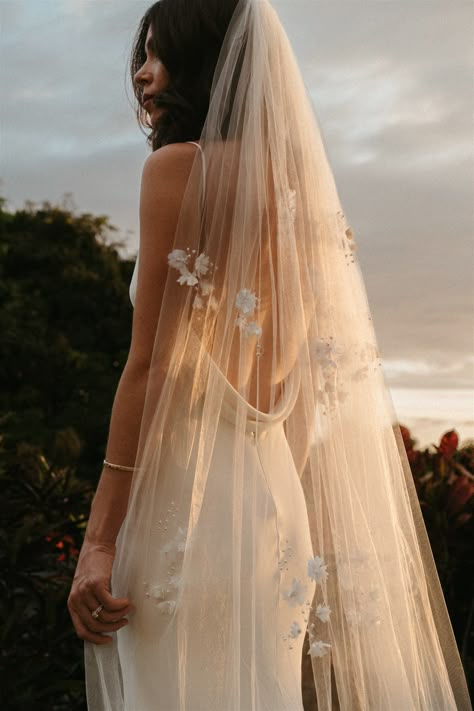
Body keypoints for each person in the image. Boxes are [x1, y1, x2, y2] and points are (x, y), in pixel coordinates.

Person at [68, 1, 473, 709]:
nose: (140, 72)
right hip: (275, 511)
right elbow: (308, 390)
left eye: (157, 55)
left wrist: (100, 537)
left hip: (182, 504)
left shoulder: (175, 169)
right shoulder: (301, 194)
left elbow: (152, 366)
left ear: (203, 64)